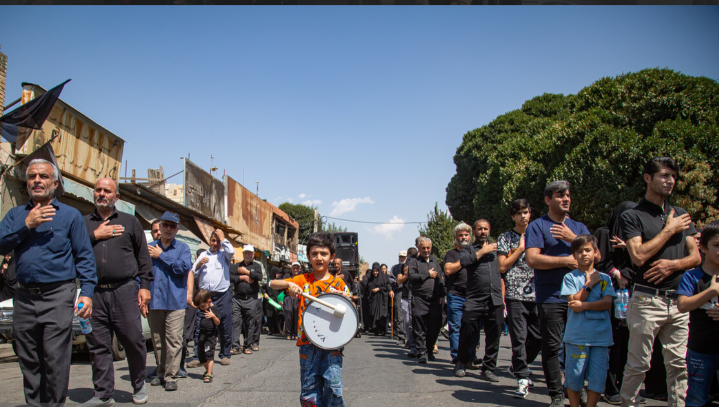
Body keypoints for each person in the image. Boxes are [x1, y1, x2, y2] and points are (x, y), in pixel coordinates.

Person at [0, 158, 97, 407]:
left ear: (55, 182)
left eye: (43, 176)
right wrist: (26, 225)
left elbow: (84, 256)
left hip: (57, 295)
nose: (37, 181)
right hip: (24, 297)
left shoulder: (70, 216)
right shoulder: (15, 215)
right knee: (29, 360)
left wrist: (86, 292)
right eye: (32, 176)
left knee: (55, 358)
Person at [619, 157, 701, 407]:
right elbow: (638, 256)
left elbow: (696, 256)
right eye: (665, 175)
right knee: (638, 365)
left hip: (678, 302)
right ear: (648, 178)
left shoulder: (682, 214)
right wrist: (669, 229)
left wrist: (673, 265)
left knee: (678, 365)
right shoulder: (632, 215)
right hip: (646, 300)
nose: (671, 181)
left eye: (673, 176)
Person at [80, 177, 153, 406]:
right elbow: (72, 251)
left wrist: (145, 287)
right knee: (98, 344)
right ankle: (103, 393)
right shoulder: (82, 223)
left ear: (116, 197)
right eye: (98, 189)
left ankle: (139, 385)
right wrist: (95, 236)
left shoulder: (130, 222)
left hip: (125, 290)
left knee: (133, 341)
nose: (102, 193)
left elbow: (143, 258)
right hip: (93, 293)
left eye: (107, 191)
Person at [525, 180, 590, 407]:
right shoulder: (537, 226)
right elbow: (532, 259)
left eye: (568, 195)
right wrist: (565, 261)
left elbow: (597, 256)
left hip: (580, 296)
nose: (566, 199)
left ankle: (576, 388)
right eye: (560, 195)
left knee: (579, 345)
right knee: (552, 346)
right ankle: (556, 394)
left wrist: (574, 239)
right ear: (548, 200)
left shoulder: (579, 228)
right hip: (551, 296)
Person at [269, 232, 350, 406]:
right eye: (314, 254)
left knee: (333, 388)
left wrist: (344, 298)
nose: (319, 258)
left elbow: (350, 313)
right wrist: (289, 284)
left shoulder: (339, 284)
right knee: (309, 390)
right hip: (307, 344)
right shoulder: (302, 280)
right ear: (308, 257)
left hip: (333, 345)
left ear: (332, 257)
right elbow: (272, 284)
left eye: (324, 253)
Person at [560, 234, 616, 407]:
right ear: (574, 255)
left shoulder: (605, 279)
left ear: (595, 252)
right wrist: (589, 284)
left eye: (587, 250)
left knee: (598, 378)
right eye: (579, 251)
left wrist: (583, 305)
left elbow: (607, 303)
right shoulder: (570, 278)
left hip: (601, 337)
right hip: (577, 336)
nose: (584, 254)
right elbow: (572, 301)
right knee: (574, 377)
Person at [594, 201, 640, 406]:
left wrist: (629, 248)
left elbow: (642, 264)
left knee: (629, 343)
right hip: (608, 296)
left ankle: (626, 388)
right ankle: (609, 387)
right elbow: (598, 262)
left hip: (631, 296)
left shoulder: (635, 238)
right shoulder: (603, 234)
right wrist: (615, 273)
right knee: (611, 343)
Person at [497, 199, 541, 399]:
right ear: (513, 216)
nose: (524, 216)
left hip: (539, 292)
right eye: (519, 213)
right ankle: (522, 378)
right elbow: (502, 266)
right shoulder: (505, 237)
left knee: (539, 336)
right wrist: (521, 248)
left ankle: (516, 365)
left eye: (526, 212)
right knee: (519, 338)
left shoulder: (539, 233)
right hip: (515, 294)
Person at [147, 211, 192, 391]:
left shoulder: (183, 248)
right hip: (155, 301)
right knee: (157, 341)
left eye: (172, 226)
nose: (167, 229)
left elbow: (183, 267)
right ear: (159, 226)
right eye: (165, 225)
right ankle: (161, 371)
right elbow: (141, 273)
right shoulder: (149, 247)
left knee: (174, 340)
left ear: (177, 229)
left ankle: (171, 376)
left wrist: (161, 256)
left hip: (175, 302)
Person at [454, 220, 504, 382]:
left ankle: (488, 368)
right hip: (474, 299)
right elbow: (464, 262)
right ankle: (461, 362)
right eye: (479, 229)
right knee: (467, 330)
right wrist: (483, 251)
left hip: (494, 299)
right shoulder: (468, 249)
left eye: (485, 229)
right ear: (474, 232)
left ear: (489, 230)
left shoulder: (498, 250)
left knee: (494, 335)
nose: (483, 231)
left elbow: (503, 271)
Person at [677, 221, 719, 407]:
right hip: (700, 350)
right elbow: (683, 304)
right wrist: (711, 291)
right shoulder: (692, 276)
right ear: (702, 247)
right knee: (697, 397)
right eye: (716, 245)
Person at [187, 228, 235, 366]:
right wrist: (200, 263)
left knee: (224, 324)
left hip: (222, 294)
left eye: (217, 241)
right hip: (205, 296)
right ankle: (198, 356)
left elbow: (231, 251)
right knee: (200, 325)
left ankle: (225, 354)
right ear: (209, 241)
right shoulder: (203, 255)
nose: (215, 244)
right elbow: (193, 270)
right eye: (213, 241)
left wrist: (223, 238)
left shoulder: (224, 254)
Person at [443, 222, 479, 366]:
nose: (464, 237)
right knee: (456, 327)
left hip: (474, 295)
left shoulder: (476, 252)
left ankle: (471, 355)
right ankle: (458, 357)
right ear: (456, 237)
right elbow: (448, 270)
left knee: (473, 327)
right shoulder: (451, 254)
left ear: (470, 236)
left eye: (466, 234)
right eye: (461, 235)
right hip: (457, 295)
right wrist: (465, 260)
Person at [408, 237, 445, 364]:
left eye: (428, 248)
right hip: (419, 299)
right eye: (423, 248)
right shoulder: (413, 262)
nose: (426, 250)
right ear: (418, 248)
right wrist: (427, 275)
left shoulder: (435, 261)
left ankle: (429, 350)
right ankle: (421, 352)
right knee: (419, 327)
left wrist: (442, 295)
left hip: (434, 300)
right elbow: (411, 277)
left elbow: (440, 279)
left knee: (434, 327)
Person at [230, 245, 263, 354]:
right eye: (245, 253)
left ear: (253, 254)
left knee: (250, 323)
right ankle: (235, 346)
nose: (247, 255)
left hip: (251, 299)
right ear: (243, 254)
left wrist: (247, 272)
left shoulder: (257, 266)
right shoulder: (237, 266)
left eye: (250, 253)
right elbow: (230, 277)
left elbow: (259, 277)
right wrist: (241, 277)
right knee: (236, 321)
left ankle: (247, 346)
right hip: (237, 298)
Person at [191, 289, 221, 384]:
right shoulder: (202, 307)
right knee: (201, 355)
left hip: (210, 336)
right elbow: (196, 305)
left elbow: (218, 322)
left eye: (203, 306)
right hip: (201, 334)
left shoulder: (214, 309)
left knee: (209, 354)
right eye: (200, 307)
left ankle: (208, 373)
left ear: (209, 301)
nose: (202, 308)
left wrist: (213, 316)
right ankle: (208, 369)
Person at [397, 247, 418, 355]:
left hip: (418, 294)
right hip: (405, 294)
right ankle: (410, 340)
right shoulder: (402, 267)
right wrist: (406, 274)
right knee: (407, 320)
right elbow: (399, 280)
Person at [368, 262, 391, 335]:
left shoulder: (383, 278)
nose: (375, 273)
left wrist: (379, 289)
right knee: (374, 312)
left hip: (381, 299)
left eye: (376, 271)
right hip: (374, 298)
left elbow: (387, 287)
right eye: (374, 271)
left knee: (381, 313)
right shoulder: (371, 278)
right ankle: (375, 329)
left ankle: (382, 330)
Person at [389, 251, 406, 345]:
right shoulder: (395, 267)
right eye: (401, 257)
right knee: (399, 315)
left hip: (409, 291)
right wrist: (399, 282)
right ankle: (401, 337)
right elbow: (391, 279)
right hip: (399, 291)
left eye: (404, 257)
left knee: (408, 316)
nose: (402, 258)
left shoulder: (410, 266)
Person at [263, 267, 284, 335]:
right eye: (277, 273)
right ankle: (271, 330)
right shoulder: (267, 280)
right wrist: (265, 293)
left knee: (277, 315)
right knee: (270, 315)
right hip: (269, 299)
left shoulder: (279, 280)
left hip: (276, 300)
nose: (278, 275)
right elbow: (262, 288)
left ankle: (278, 330)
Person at [283, 263, 301, 340]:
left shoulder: (302, 277)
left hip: (298, 297)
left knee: (297, 315)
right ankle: (289, 333)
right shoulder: (287, 276)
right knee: (289, 314)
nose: (295, 270)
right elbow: (283, 285)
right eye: (294, 268)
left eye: (297, 268)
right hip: (288, 297)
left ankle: (296, 333)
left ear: (299, 269)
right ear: (291, 269)